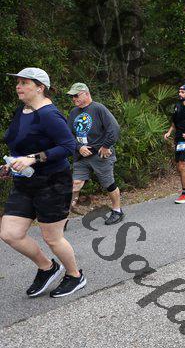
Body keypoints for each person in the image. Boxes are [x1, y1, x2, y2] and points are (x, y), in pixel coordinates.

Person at [1, 67, 86, 298]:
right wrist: (11, 164)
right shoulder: (23, 110)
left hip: (53, 183)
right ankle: (47, 267)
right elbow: (20, 145)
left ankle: (75, 276)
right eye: (18, 82)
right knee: (10, 233)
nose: (18, 87)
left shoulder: (49, 114)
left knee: (52, 238)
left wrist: (33, 158)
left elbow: (68, 146)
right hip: (25, 183)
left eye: (24, 83)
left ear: (40, 88)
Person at [67, 83, 124, 225]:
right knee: (75, 184)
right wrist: (79, 147)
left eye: (76, 95)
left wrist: (106, 146)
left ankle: (117, 211)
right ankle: (63, 218)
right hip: (81, 156)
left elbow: (114, 128)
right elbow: (69, 135)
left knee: (108, 184)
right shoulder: (73, 113)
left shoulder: (98, 108)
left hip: (100, 154)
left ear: (86, 93)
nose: (74, 99)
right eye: (72, 96)